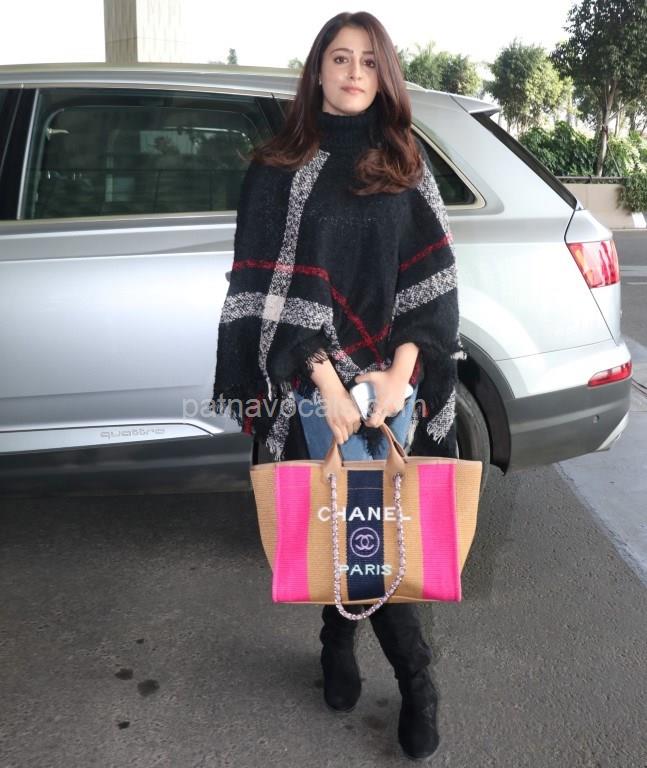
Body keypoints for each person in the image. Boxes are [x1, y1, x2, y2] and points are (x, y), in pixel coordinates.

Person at [211, 10, 466, 761]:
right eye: (340, 58)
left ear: (384, 76)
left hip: (390, 389)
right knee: (345, 530)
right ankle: (391, 669)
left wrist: (401, 372)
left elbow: (433, 288)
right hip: (309, 388)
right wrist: (322, 378)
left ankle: (366, 656)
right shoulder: (276, 169)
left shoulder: (405, 164)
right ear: (317, 69)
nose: (354, 72)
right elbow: (261, 293)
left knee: (372, 534)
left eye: (368, 61)